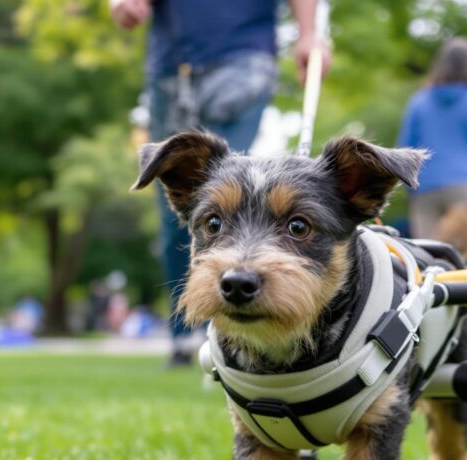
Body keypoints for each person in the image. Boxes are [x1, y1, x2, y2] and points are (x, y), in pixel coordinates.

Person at [111, 0, 331, 366]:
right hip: (171, 61)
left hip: (243, 54)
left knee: (236, 186)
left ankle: (265, 330)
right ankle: (188, 335)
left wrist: (310, 33)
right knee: (184, 213)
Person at [398, 37, 467, 240]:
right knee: (461, 255)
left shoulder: (419, 101)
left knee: (426, 254)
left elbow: (405, 147)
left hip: (425, 185)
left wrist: (407, 189)